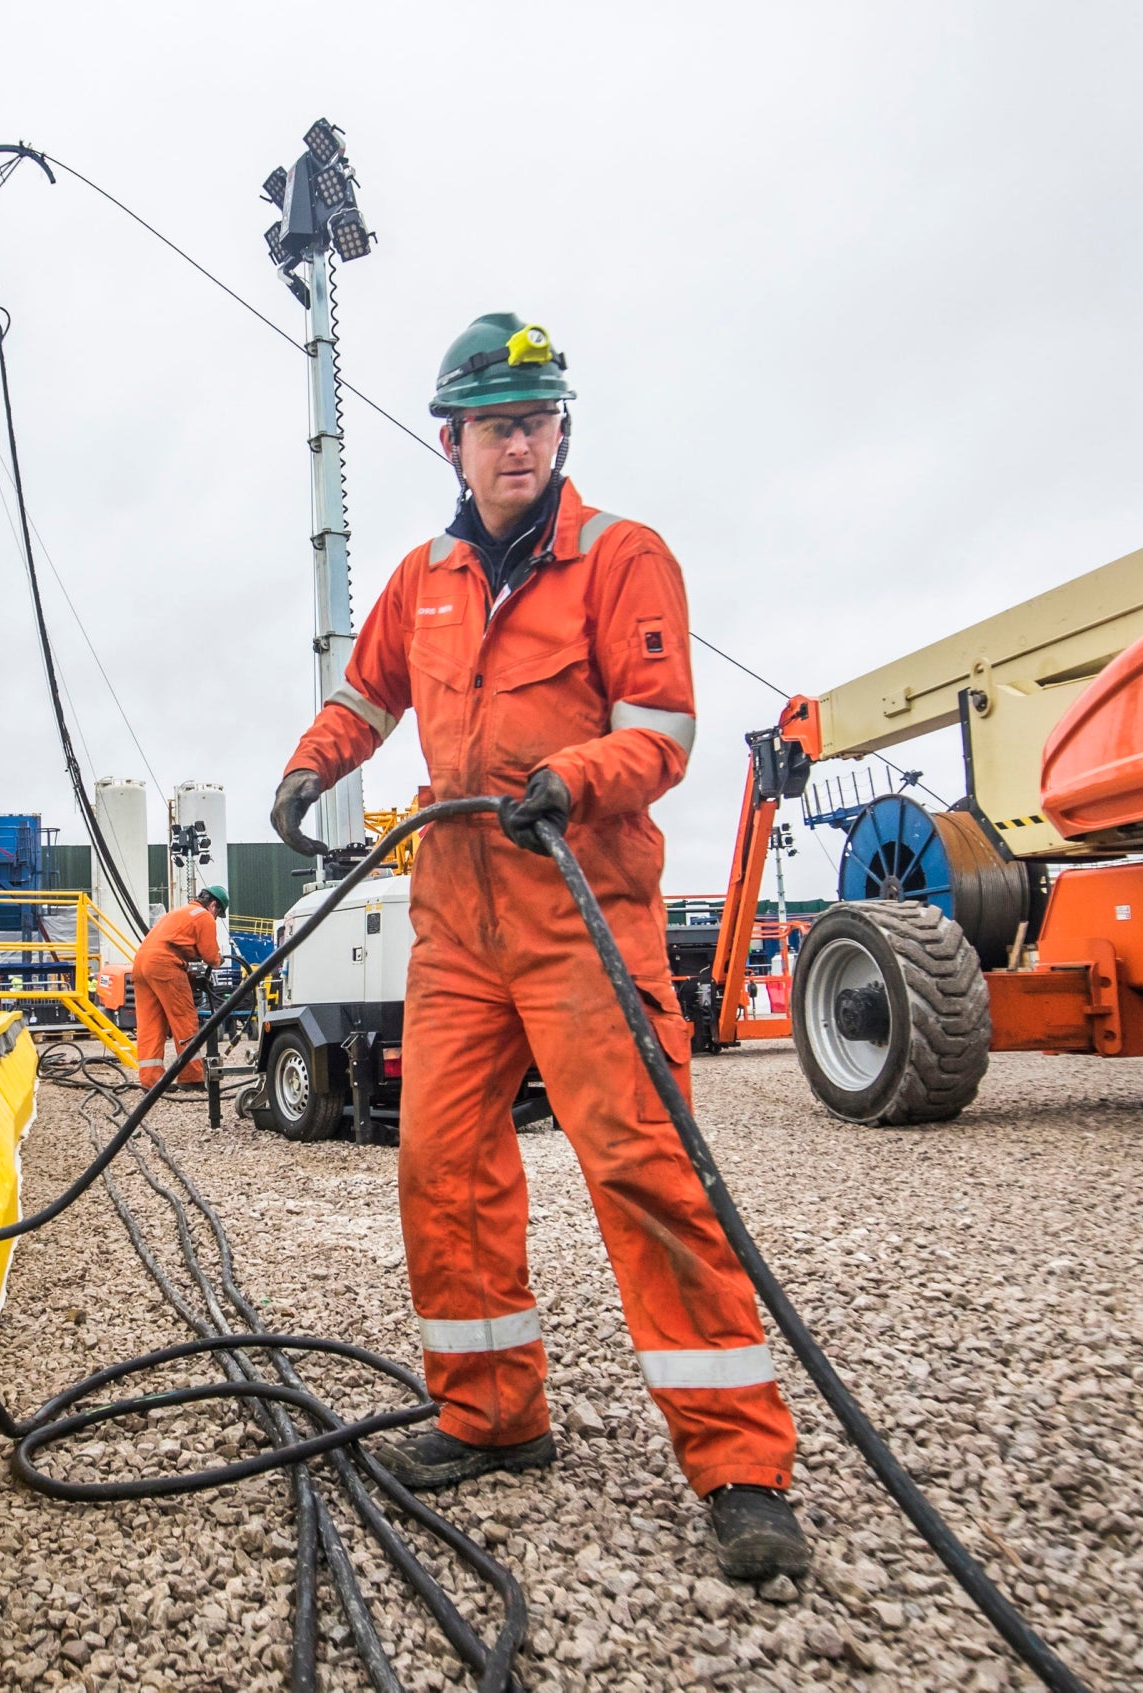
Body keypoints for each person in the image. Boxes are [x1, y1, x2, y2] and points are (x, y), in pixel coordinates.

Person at [268, 314, 806, 1582]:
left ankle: (738, 1462)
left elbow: (662, 731)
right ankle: (491, 1414)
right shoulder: (423, 581)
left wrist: (573, 777)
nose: (520, 440)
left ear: (562, 430)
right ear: (449, 442)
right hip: (457, 922)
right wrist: (310, 767)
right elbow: (367, 696)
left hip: (580, 910)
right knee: (442, 1164)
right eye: (495, 423)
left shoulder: (623, 560)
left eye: (539, 418)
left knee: (644, 1171)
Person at [131, 884, 227, 1088]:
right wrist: (219, 960)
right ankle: (191, 1077)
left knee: (150, 1023)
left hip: (141, 964)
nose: (216, 917)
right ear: (213, 905)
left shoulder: (176, 914)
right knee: (184, 1020)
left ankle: (151, 1081)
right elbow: (211, 956)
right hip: (164, 964)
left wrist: (191, 978)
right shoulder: (203, 916)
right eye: (218, 913)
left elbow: (168, 947)